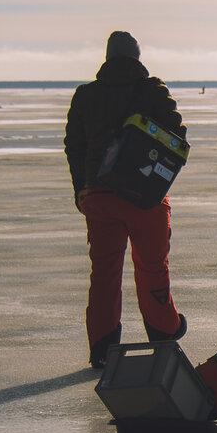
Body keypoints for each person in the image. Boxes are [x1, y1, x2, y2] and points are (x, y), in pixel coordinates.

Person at [64, 31, 187, 368]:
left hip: (100, 196)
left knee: (104, 273)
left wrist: (81, 188)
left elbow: (74, 146)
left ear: (107, 58)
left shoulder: (86, 96)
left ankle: (103, 347)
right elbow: (179, 135)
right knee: (152, 266)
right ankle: (163, 332)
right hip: (144, 195)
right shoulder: (153, 91)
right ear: (136, 57)